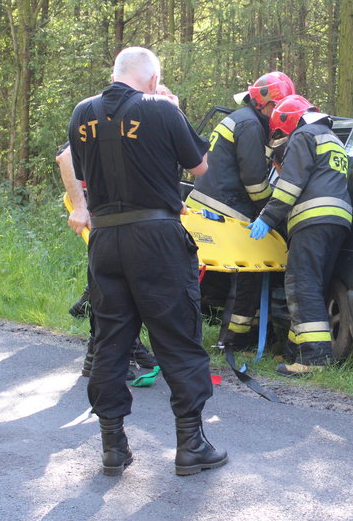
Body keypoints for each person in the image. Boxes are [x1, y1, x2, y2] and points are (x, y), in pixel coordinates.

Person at [68, 46, 226, 476]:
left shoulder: (82, 113)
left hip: (104, 238)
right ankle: (191, 444)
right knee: (178, 334)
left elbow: (79, 172)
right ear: (154, 80)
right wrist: (174, 109)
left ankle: (113, 446)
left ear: (116, 73)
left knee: (111, 340)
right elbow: (200, 167)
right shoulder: (161, 107)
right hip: (156, 237)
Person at [187, 72, 295, 349]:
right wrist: (271, 213)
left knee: (207, 274)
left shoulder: (243, 118)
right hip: (226, 207)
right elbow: (255, 182)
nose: (278, 115)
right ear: (266, 104)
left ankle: (234, 333)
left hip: (210, 204)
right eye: (277, 108)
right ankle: (237, 337)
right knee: (251, 269)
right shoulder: (250, 125)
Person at [248, 95, 352, 376]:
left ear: (289, 121)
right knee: (313, 287)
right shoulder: (333, 139)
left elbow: (290, 185)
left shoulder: (304, 135)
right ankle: (297, 352)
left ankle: (315, 360)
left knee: (301, 286)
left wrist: (267, 218)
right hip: (338, 222)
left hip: (312, 219)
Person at [55, 143, 158, 380]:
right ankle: (98, 355)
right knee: (112, 282)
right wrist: (80, 206)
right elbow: (65, 157)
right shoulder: (102, 112)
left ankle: (124, 345)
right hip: (97, 206)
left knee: (122, 278)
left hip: (122, 209)